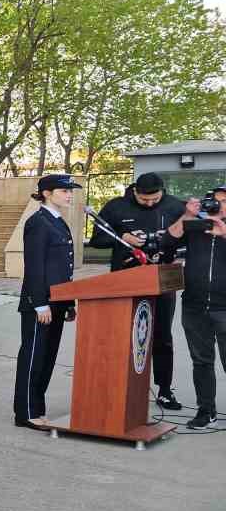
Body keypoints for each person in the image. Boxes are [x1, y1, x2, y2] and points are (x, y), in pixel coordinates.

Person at [87, 172, 187, 410]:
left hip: (162, 279)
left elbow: (189, 237)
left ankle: (164, 390)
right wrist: (123, 237)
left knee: (163, 337)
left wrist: (180, 256)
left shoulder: (176, 206)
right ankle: (120, 386)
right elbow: (97, 239)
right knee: (125, 336)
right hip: (125, 279)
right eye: (144, 200)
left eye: (155, 199)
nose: (150, 203)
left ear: (163, 190)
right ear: (135, 192)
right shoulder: (116, 207)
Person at [14, 174, 82, 430]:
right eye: (64, 191)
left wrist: (69, 302)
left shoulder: (58, 221)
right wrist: (39, 303)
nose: (69, 195)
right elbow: (34, 267)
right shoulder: (38, 222)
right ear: (46, 193)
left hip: (58, 302)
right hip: (40, 303)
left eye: (70, 191)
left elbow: (62, 267)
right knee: (33, 357)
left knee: (47, 357)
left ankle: (37, 408)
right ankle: (26, 412)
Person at [158, 186, 226, 429]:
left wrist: (223, 232)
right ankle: (206, 410)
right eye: (215, 201)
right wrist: (187, 216)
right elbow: (166, 241)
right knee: (202, 361)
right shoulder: (197, 226)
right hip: (195, 306)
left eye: (224, 201)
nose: (218, 206)